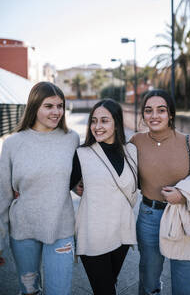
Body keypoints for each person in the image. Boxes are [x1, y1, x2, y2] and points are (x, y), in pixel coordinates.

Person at [0, 82, 80, 295]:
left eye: (60, 106)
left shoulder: (71, 139)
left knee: (59, 291)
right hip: (24, 228)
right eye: (49, 106)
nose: (57, 112)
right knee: (29, 290)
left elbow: (72, 177)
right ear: (34, 106)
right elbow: (3, 196)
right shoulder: (12, 143)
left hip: (61, 227)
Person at [130, 89, 190, 295]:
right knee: (148, 277)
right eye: (148, 110)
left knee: (186, 278)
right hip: (149, 217)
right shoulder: (135, 142)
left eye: (161, 110)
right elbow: (122, 176)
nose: (154, 116)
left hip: (182, 217)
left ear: (171, 114)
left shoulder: (189, 142)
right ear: (143, 115)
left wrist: (182, 196)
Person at [70, 98, 138, 295]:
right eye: (93, 120)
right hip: (93, 235)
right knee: (105, 290)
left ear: (116, 123)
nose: (97, 126)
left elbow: (142, 183)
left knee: (109, 283)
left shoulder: (132, 151)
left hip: (122, 233)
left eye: (104, 120)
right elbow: (62, 185)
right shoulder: (82, 154)